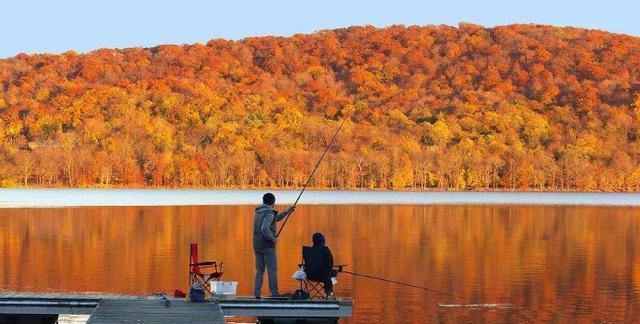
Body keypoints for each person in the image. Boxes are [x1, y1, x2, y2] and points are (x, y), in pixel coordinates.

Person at [253, 192, 295, 298]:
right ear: (273, 202)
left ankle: (256, 294)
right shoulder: (269, 212)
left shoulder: (259, 212)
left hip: (257, 245)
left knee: (260, 271)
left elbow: (275, 219)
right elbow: (264, 228)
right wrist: (272, 239)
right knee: (272, 269)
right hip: (267, 246)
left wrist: (287, 212)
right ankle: (275, 294)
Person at [303, 232, 338, 297]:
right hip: (323, 276)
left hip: (309, 275)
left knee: (327, 273)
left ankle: (328, 293)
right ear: (322, 241)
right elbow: (330, 265)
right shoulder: (326, 250)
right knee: (331, 273)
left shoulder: (307, 251)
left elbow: (307, 264)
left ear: (313, 241)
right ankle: (329, 293)